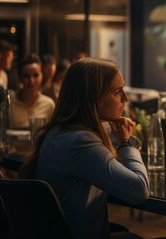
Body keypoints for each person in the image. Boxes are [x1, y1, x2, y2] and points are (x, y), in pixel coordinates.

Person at [19, 57, 149, 239]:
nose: (125, 99)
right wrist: (126, 143)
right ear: (94, 97)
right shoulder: (81, 142)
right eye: (118, 91)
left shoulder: (58, 131)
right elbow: (139, 190)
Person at [10, 54, 55, 129]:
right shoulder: (9, 102)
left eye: (36, 75)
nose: (31, 81)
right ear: (20, 78)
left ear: (42, 76)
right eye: (26, 76)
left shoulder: (49, 105)